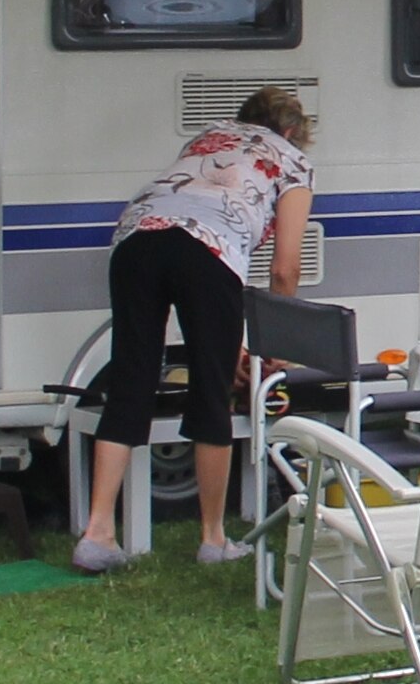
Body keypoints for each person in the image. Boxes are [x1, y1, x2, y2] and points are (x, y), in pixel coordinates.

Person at [75, 84, 315, 572]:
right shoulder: (290, 159)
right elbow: (285, 268)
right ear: (291, 130)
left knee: (131, 380)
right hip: (208, 249)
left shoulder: (207, 139)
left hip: (137, 241)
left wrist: (233, 347)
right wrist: (272, 345)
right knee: (211, 390)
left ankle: (97, 533)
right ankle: (213, 538)